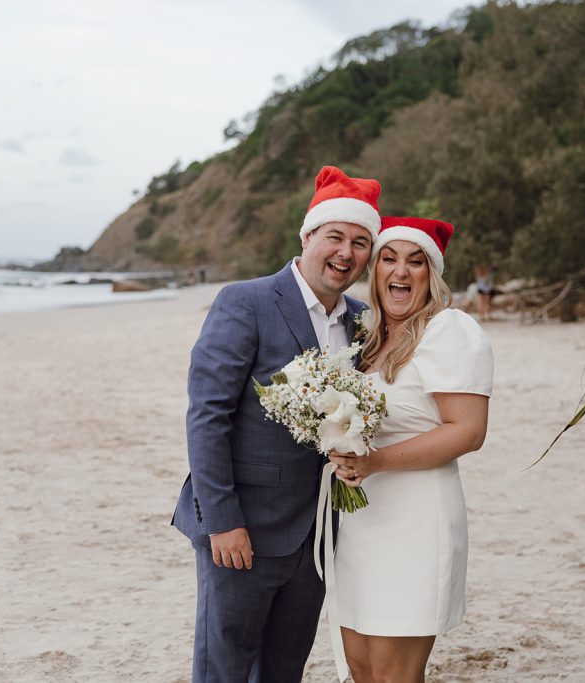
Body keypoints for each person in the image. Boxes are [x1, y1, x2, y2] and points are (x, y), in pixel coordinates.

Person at [171, 166, 381, 683]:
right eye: (335, 237)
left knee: (286, 667)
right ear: (307, 236)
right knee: (225, 667)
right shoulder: (247, 301)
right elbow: (207, 414)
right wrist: (222, 520)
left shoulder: (361, 319)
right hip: (244, 528)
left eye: (360, 242)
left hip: (317, 535)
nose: (346, 253)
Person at [329, 216, 494, 682]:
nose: (401, 271)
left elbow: (468, 431)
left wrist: (375, 461)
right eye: (389, 258)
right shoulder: (368, 337)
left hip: (416, 522)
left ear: (431, 273)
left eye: (415, 261)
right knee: (359, 666)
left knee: (393, 673)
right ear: (374, 270)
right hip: (362, 523)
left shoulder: (449, 330)